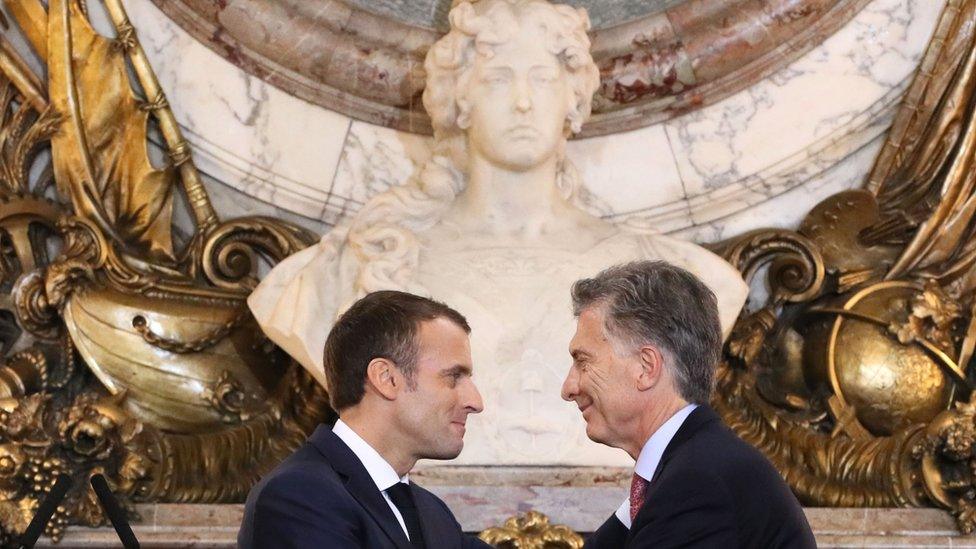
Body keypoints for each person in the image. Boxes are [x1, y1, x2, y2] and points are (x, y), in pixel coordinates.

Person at [248, 0, 748, 467]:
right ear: (459, 97)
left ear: (574, 99)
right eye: (499, 79)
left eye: (543, 79)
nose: (524, 102)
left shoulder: (682, 275)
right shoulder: (355, 264)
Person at [561, 261, 816, 548]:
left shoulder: (698, 482)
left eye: (583, 362)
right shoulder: (685, 468)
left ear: (646, 368)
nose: (568, 389)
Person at [238, 290, 490, 548]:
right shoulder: (297, 496)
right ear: (387, 378)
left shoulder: (433, 514)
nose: (475, 402)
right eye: (453, 377)